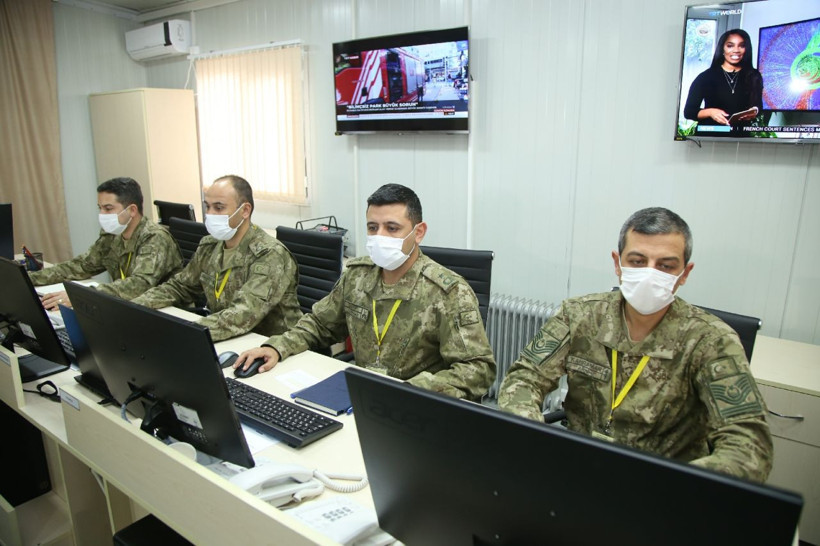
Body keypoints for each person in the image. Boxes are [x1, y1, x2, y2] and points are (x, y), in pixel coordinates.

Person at [498, 207, 772, 482]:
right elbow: (525, 378)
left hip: (659, 489)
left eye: (666, 265)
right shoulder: (579, 316)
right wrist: (533, 443)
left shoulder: (711, 341)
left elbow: (748, 443)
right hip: (576, 469)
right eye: (638, 261)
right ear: (618, 264)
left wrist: (687, 484)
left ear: (685, 273)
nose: (650, 274)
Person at [235, 183, 496, 401]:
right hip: (359, 395)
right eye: (373, 227)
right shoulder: (357, 274)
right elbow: (319, 324)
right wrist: (278, 347)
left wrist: (415, 390)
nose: (379, 236)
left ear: (418, 232)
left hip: (412, 405)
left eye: (392, 228)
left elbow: (478, 368)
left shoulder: (448, 291)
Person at [132, 175, 302, 342]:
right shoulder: (210, 245)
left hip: (272, 346)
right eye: (208, 207)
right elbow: (180, 286)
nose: (210, 214)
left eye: (219, 208)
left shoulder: (270, 254)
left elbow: (243, 314)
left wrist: (186, 333)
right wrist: (136, 306)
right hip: (226, 338)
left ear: (245, 210)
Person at [30, 177, 183, 310]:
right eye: (100, 208)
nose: (102, 215)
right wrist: (31, 278)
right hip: (125, 305)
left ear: (132, 210)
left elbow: (139, 285)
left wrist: (84, 296)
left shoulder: (154, 238)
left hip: (165, 312)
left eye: (108, 209)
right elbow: (82, 265)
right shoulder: (112, 235)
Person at [684, 29, 763, 128]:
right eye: (730, 46)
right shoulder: (705, 77)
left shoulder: (754, 75)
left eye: (741, 46)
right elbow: (689, 112)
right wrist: (711, 112)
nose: (736, 50)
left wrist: (754, 111)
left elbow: (758, 106)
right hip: (711, 133)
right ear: (722, 49)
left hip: (741, 135)